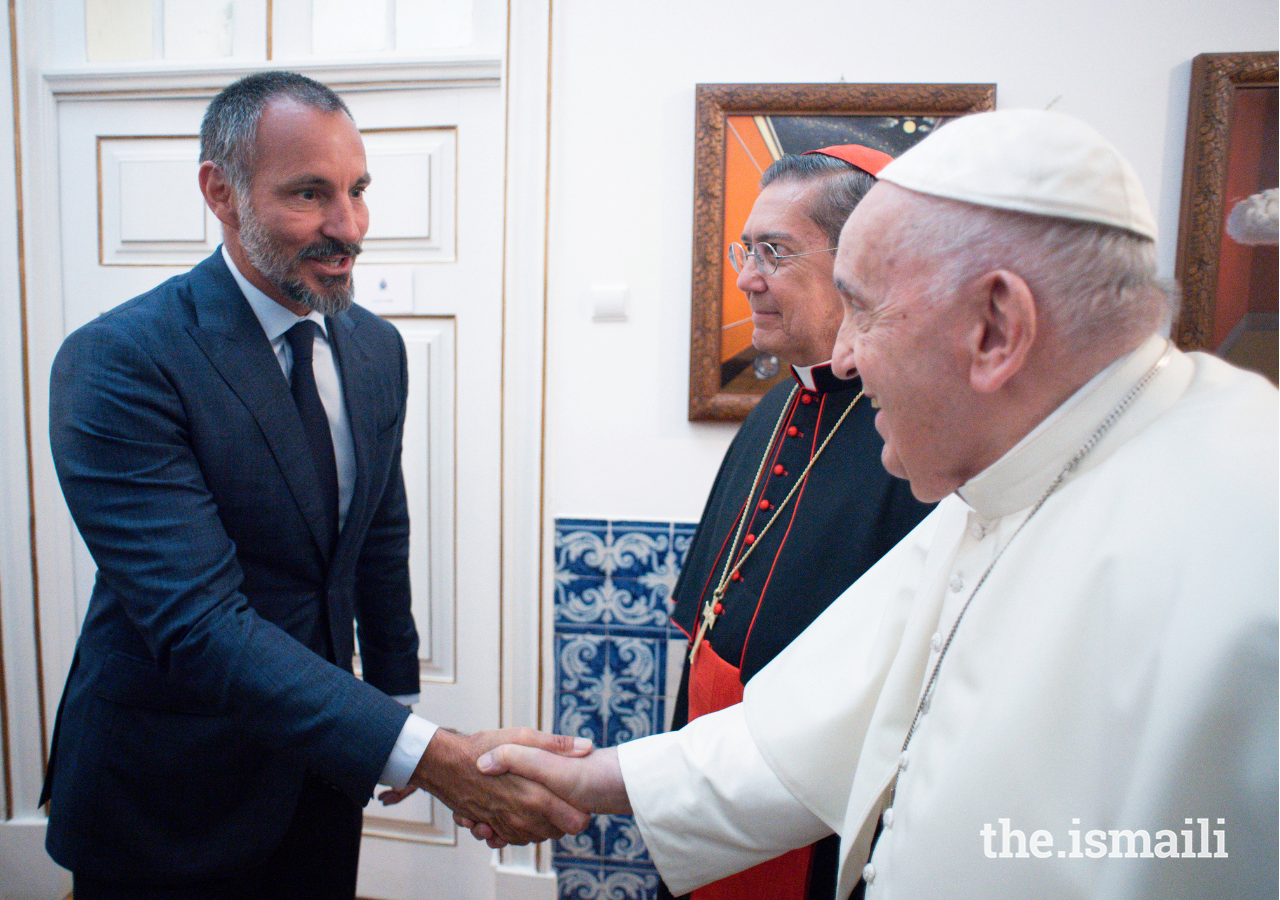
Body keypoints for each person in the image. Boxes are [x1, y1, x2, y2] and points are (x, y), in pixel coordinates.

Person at [470, 110, 1279, 898]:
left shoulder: (1246, 535)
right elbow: (816, 727)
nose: (845, 354)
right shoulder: (1017, 471)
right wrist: (592, 777)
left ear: (997, 328)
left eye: (862, 307)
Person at [41, 71, 586, 899]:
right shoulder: (123, 361)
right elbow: (198, 624)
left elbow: (378, 529)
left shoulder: (373, 348)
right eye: (309, 194)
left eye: (358, 191)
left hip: (321, 772)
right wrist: (426, 752)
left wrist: (393, 689)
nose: (349, 228)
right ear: (220, 193)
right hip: (168, 790)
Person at [662, 145, 931, 900]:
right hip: (715, 775)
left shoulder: (914, 434)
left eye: (774, 252)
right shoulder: (773, 410)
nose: (746, 277)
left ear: (861, 262)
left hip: (822, 807)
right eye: (745, 249)